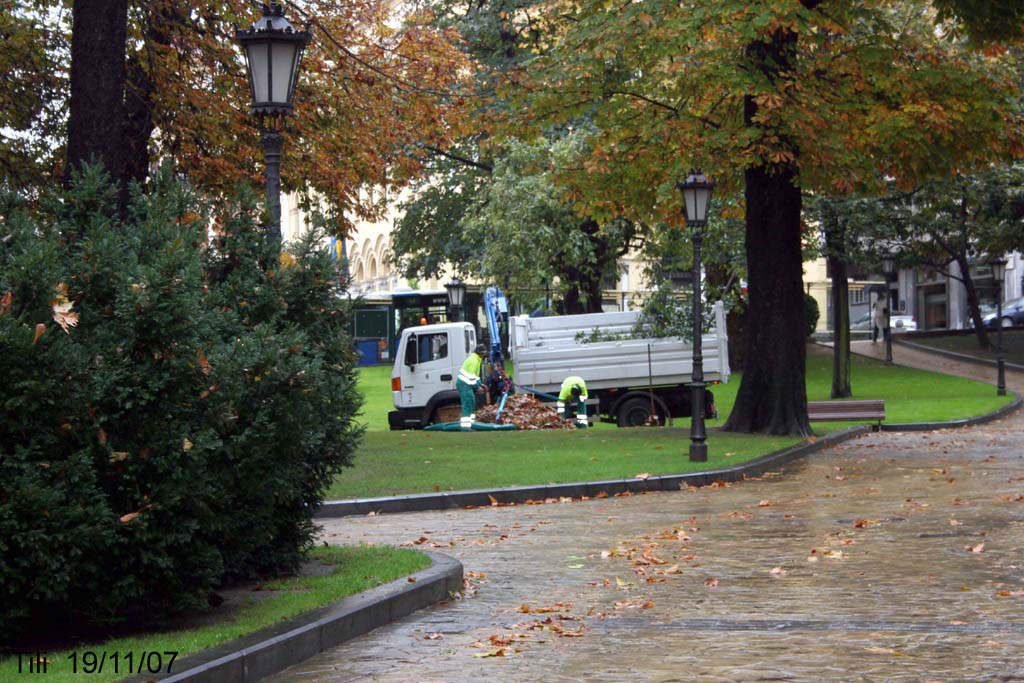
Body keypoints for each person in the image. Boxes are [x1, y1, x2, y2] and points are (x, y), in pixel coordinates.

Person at [457, 344, 487, 430]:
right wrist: (477, 387)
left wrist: (480, 384)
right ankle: (465, 427)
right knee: (467, 404)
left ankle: (471, 424)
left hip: (467, 384)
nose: (484, 355)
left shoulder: (477, 359)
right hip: (464, 384)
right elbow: (470, 376)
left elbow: (475, 376)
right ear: (481, 353)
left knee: (472, 403)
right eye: (484, 353)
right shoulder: (474, 360)